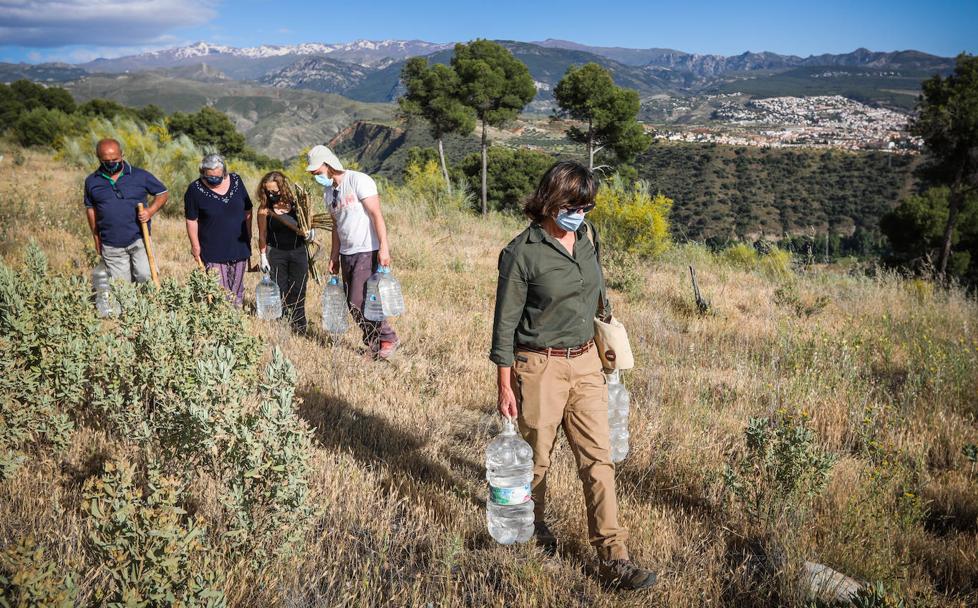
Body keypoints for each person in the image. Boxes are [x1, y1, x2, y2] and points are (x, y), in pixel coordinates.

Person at [490, 161, 656, 590]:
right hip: (538, 367)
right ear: (549, 200)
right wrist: (505, 385)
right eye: (573, 204)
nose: (580, 213)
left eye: (587, 205)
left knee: (598, 462)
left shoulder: (586, 239)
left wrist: (609, 349)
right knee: (536, 463)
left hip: (586, 364)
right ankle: (532, 530)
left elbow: (597, 296)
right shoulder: (520, 253)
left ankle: (613, 557)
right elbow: (504, 326)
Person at [307, 145, 400, 360]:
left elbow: (377, 215)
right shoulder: (328, 192)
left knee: (359, 300)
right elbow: (336, 227)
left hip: (367, 249)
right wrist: (333, 256)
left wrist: (384, 247)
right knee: (353, 302)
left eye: (317, 172)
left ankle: (388, 337)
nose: (315, 176)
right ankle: (374, 343)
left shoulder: (359, 181)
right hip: (346, 253)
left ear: (328, 165)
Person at [83, 138, 168, 282]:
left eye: (115, 159)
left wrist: (150, 211)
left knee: (145, 276)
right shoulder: (92, 181)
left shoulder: (140, 175)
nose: (111, 163)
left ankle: (147, 304)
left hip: (139, 238)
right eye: (106, 160)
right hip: (111, 243)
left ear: (122, 155)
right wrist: (96, 238)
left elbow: (163, 193)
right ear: (98, 158)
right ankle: (127, 304)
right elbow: (91, 210)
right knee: (121, 287)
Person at [184, 154, 253, 307]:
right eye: (210, 177)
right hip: (212, 248)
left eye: (218, 176)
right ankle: (221, 321)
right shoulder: (194, 190)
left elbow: (248, 209)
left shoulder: (236, 181)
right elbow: (191, 220)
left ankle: (235, 323)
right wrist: (195, 246)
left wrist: (249, 235)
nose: (214, 179)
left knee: (237, 289)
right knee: (220, 291)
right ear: (202, 173)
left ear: (224, 173)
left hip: (238, 246)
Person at [256, 171, 313, 333]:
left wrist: (310, 234)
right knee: (280, 290)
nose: (271, 194)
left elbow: (308, 225)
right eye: (268, 191)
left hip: (298, 252)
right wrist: (262, 256)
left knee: (298, 289)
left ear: (283, 188)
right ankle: (282, 325)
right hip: (276, 253)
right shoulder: (264, 209)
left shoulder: (297, 205)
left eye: (275, 191)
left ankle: (300, 325)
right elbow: (262, 234)